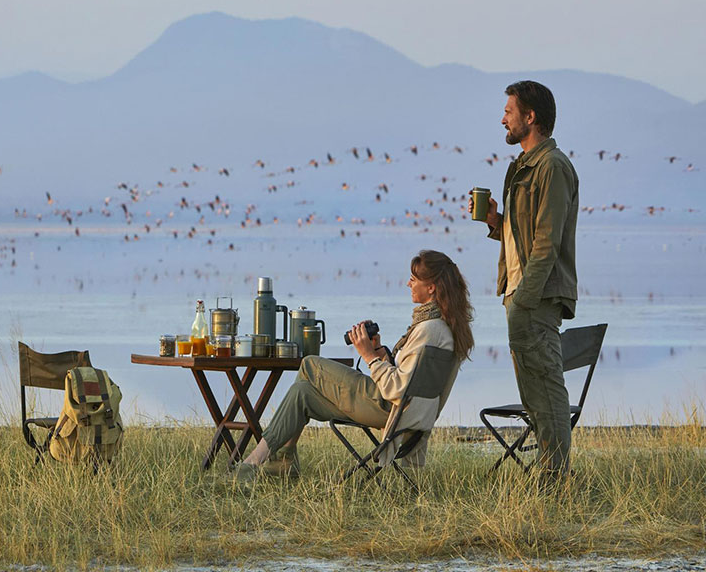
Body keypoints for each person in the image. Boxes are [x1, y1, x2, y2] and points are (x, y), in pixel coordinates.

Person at [233, 250, 473, 482]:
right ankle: (262, 462)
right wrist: (381, 354)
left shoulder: (428, 330)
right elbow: (411, 380)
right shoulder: (442, 326)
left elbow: (397, 390)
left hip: (388, 408)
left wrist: (369, 356)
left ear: (431, 287)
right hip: (405, 412)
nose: (408, 284)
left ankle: (269, 461)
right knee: (302, 393)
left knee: (309, 365)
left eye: (413, 279)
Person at [469, 80, 579, 476]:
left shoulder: (552, 166)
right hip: (518, 293)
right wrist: (495, 222)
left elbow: (547, 245)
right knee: (533, 393)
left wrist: (524, 301)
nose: (503, 119)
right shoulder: (521, 167)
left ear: (529, 118)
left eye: (509, 112)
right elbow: (525, 237)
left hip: (534, 297)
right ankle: (550, 476)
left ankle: (554, 477)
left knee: (547, 392)